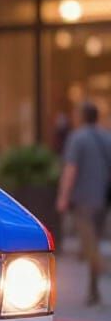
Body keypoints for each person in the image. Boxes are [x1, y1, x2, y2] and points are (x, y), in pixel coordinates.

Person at [57, 101, 111, 305]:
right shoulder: (107, 137)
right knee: (93, 243)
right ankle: (93, 291)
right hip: (103, 200)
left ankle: (104, 269)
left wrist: (63, 197)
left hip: (83, 201)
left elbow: (71, 170)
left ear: (82, 116)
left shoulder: (77, 138)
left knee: (90, 247)